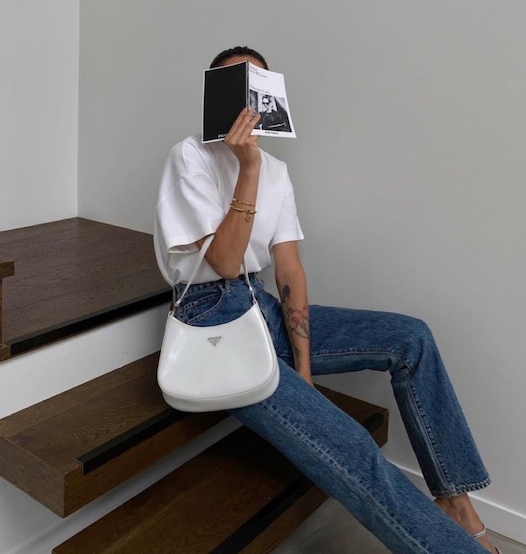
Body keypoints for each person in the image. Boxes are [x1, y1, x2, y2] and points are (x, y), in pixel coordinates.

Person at [154, 46, 500, 554]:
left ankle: (456, 502)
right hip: (212, 316)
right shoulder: (190, 155)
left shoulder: (276, 170)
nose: (246, 99)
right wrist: (246, 168)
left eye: (256, 85)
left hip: (264, 308)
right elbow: (224, 263)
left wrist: (304, 372)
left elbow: (289, 269)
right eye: (233, 83)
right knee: (352, 447)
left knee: (411, 337)